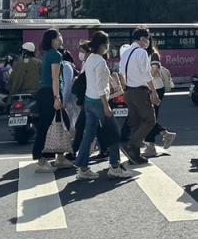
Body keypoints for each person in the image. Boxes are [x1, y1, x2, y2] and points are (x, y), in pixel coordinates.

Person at [74, 31, 135, 181]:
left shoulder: (90, 59)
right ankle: (115, 167)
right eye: (107, 44)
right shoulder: (100, 62)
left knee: (88, 135)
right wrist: (106, 106)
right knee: (114, 133)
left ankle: (82, 168)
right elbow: (101, 87)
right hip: (98, 102)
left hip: (89, 101)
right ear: (103, 45)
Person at [34, 29, 71, 172]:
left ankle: (60, 158)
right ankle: (42, 159)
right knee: (48, 125)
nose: (61, 38)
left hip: (46, 92)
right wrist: (57, 97)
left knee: (61, 123)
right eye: (59, 36)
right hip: (51, 93)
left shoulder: (48, 54)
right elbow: (55, 78)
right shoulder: (56, 55)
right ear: (53, 39)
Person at [120, 27, 159, 165]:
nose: (148, 42)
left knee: (135, 123)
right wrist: (153, 91)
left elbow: (121, 73)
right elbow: (146, 74)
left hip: (128, 91)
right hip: (139, 91)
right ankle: (130, 145)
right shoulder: (141, 53)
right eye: (147, 39)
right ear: (142, 39)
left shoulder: (125, 53)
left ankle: (134, 156)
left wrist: (125, 88)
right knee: (150, 120)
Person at [143, 47, 176, 157]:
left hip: (156, 89)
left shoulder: (153, 55)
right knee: (149, 117)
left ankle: (151, 146)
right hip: (150, 89)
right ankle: (163, 136)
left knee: (149, 117)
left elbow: (154, 70)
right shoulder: (143, 55)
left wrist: (143, 77)